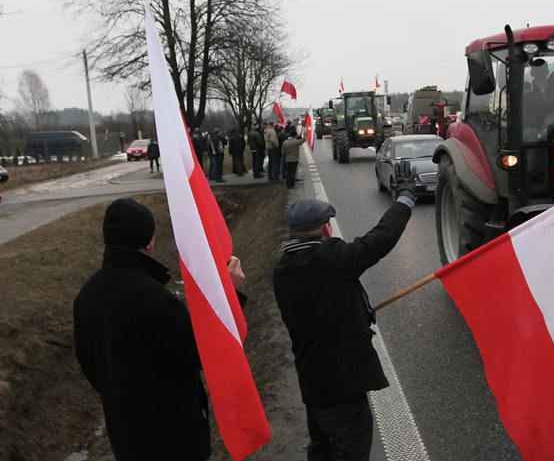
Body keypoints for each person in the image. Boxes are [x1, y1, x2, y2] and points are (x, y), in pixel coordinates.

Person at [73, 198, 248, 461]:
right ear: (148, 241)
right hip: (172, 438)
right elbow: (202, 354)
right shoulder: (155, 300)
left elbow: (89, 363)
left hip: (125, 435)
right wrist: (230, 297)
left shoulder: (86, 296)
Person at [272, 162, 417, 461]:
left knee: (322, 450)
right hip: (343, 387)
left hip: (313, 383)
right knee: (349, 450)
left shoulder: (282, 270)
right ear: (326, 228)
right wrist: (404, 199)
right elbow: (380, 238)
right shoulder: (334, 261)